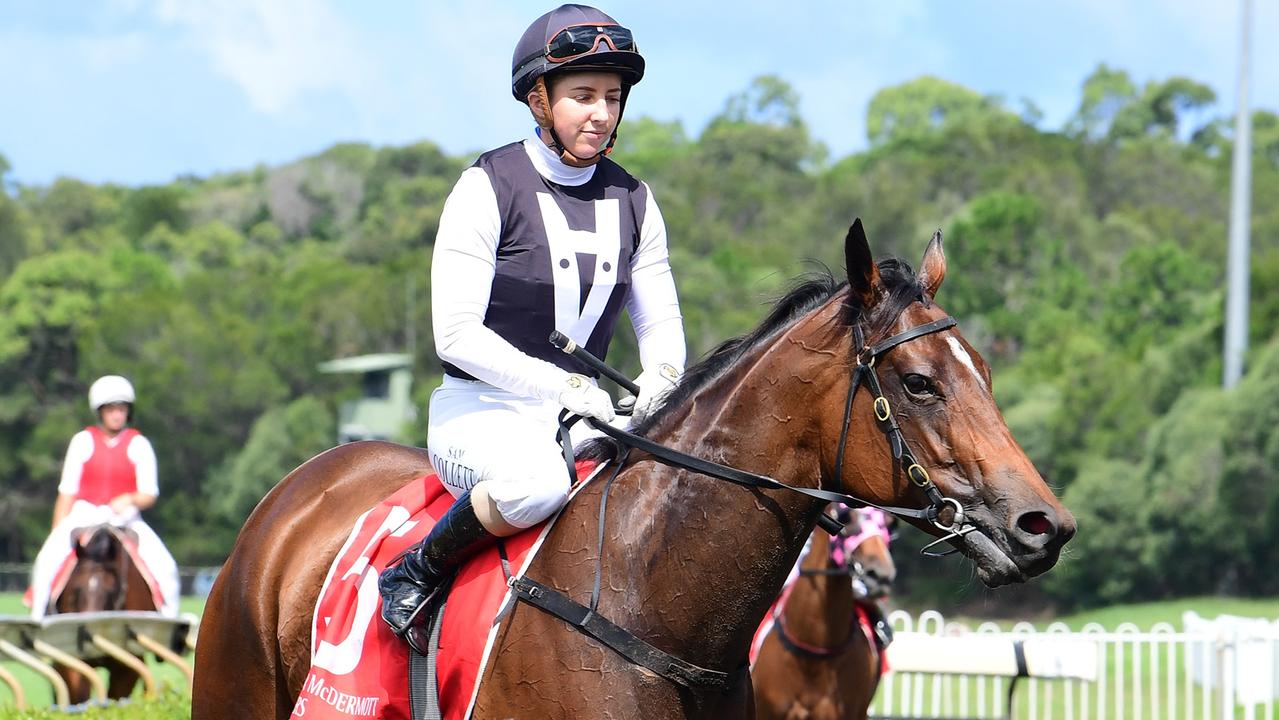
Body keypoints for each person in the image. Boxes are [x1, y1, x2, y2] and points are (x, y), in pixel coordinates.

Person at [378, 4, 686, 651]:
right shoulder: (486, 186)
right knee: (538, 483)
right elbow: (455, 334)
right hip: (479, 414)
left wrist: (660, 384)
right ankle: (417, 568)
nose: (599, 113)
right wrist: (562, 389)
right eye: (581, 96)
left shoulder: (636, 200)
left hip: (587, 418)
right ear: (537, 98)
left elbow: (660, 327)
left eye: (610, 97)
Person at [28, 375, 181, 618]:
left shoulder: (139, 444)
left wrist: (129, 499)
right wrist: (57, 532)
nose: (117, 414)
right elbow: (66, 493)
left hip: (125, 520)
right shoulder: (82, 442)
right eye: (111, 409)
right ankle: (37, 620)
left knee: (167, 568)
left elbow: (149, 493)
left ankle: (171, 624)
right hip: (83, 518)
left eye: (121, 409)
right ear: (101, 412)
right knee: (45, 562)